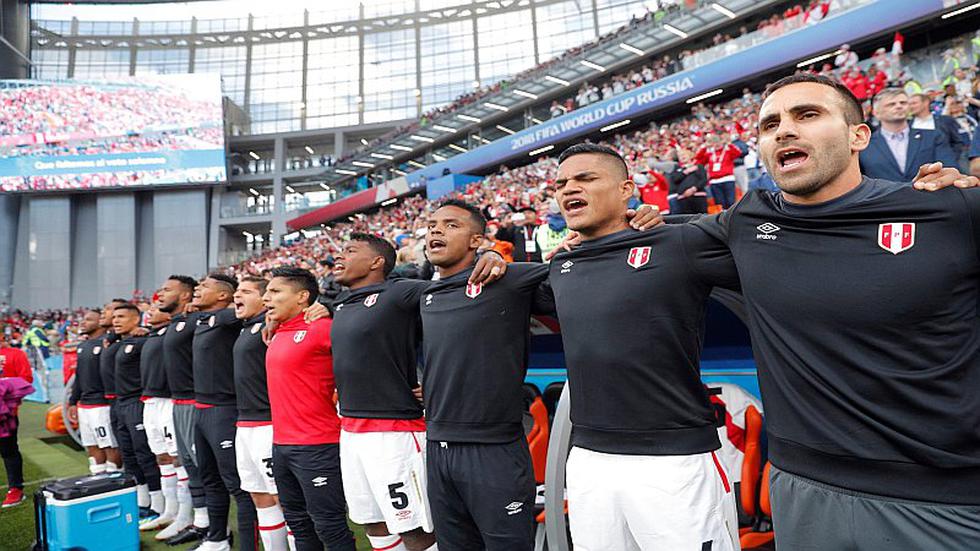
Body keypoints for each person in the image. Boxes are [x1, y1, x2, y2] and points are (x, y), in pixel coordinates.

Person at [693, 72, 980, 549]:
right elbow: (644, 245)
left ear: (858, 136)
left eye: (808, 115)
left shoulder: (950, 210)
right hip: (800, 490)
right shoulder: (746, 222)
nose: (783, 130)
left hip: (940, 504)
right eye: (770, 124)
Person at [549, 143, 740, 550]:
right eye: (561, 183)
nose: (568, 190)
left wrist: (671, 217)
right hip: (588, 461)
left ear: (626, 190)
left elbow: (749, 228)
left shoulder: (676, 244)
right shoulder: (560, 264)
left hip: (673, 460)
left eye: (585, 179)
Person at [420, 200, 550, 551]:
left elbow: (570, 272)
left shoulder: (508, 278)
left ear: (477, 240)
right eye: (432, 224)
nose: (435, 230)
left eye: (450, 225)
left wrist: (495, 256)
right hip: (437, 446)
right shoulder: (425, 293)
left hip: (493, 450)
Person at [330, 233, 436, 551]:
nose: (339, 256)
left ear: (377, 262)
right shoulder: (340, 303)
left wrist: (435, 380)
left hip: (393, 432)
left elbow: (454, 303)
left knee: (413, 527)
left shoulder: (399, 292)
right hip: (350, 430)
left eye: (349, 250)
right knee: (373, 521)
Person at [263, 267, 356, 551]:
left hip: (318, 445)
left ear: (303, 297)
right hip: (281, 445)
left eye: (275, 291)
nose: (266, 297)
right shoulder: (277, 329)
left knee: (329, 526)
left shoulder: (322, 328)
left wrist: (329, 309)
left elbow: (364, 347)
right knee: (298, 524)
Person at [192, 273, 257, 551]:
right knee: (209, 478)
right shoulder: (203, 320)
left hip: (225, 411)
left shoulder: (231, 317)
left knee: (240, 486)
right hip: (202, 411)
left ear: (222, 295)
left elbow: (262, 311)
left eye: (204, 286)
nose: (197, 289)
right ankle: (217, 538)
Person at [231, 277, 288, 551]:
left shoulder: (274, 326)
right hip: (245, 425)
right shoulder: (246, 328)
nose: (236, 296)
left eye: (245, 291)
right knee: (259, 496)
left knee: (283, 498)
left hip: (270, 423)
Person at [157, 275, 209, 545]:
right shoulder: (176, 324)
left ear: (186, 296)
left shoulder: (195, 322)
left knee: (203, 468)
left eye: (167, 290)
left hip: (195, 402)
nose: (160, 294)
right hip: (177, 402)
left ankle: (215, 527)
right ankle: (200, 522)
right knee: (190, 466)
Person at [110, 302, 164, 527]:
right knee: (129, 455)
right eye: (114, 317)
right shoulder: (120, 342)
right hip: (121, 405)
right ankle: (143, 501)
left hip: (136, 403)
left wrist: (147, 331)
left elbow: (161, 340)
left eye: (121, 316)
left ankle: (158, 504)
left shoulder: (144, 340)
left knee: (144, 455)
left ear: (136, 319)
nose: (116, 321)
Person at [137, 304, 179, 531]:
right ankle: (169, 510)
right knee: (161, 456)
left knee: (176, 457)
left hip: (168, 400)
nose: (151, 311)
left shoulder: (176, 329)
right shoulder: (150, 334)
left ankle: (185, 514)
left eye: (156, 308)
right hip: (149, 401)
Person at [66, 308, 121, 476]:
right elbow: (79, 376)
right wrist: (73, 401)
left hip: (102, 405)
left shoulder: (109, 344)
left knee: (109, 445)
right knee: (91, 445)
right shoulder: (82, 345)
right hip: (85, 405)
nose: (83, 322)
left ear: (101, 323)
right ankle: (98, 478)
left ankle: (115, 480)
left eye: (89, 319)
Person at [860, 88, 958, 181]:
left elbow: (949, 170)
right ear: (876, 112)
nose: (899, 106)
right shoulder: (864, 146)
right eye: (891, 104)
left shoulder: (934, 136)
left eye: (903, 103)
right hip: (883, 198)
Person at [0, 332, 33, 508]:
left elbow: (26, 380)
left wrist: (4, 387)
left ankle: (15, 489)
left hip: (5, 414)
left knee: (8, 450)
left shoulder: (15, 354)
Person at [694, 134, 743, 209]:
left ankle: (733, 218)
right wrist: (704, 147)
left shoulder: (728, 151)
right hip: (714, 181)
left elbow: (738, 153)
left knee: (730, 202)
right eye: (714, 142)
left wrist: (729, 144)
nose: (716, 144)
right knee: (719, 203)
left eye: (718, 142)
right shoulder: (710, 154)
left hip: (728, 179)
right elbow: (698, 159)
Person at [666, 148, 709, 214]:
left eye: (684, 154)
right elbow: (675, 180)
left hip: (698, 196)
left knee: (702, 218)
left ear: (690, 155)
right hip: (683, 198)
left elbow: (704, 180)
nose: (682, 156)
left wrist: (693, 189)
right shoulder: (676, 169)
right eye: (680, 156)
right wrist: (686, 171)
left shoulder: (699, 166)